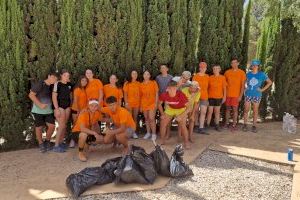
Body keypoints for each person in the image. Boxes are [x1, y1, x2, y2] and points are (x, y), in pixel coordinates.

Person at [28, 72, 58, 153]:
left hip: (49, 111)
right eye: (53, 77)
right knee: (39, 128)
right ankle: (41, 144)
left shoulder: (53, 86)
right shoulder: (40, 83)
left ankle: (47, 141)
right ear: (48, 76)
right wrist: (40, 104)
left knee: (52, 126)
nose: (54, 80)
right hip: (38, 111)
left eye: (56, 79)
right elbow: (31, 95)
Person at [158, 80, 190, 149]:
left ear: (176, 88)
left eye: (174, 88)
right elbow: (159, 104)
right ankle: (162, 140)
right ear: (167, 88)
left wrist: (181, 116)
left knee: (183, 126)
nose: (172, 90)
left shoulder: (181, 94)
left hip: (181, 109)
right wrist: (162, 114)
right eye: (170, 88)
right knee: (163, 124)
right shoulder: (164, 94)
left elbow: (189, 108)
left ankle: (186, 143)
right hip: (170, 109)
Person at [243, 59, 272, 133]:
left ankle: (254, 126)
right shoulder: (248, 74)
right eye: (253, 65)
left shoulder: (262, 74)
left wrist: (262, 90)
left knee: (255, 110)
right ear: (251, 66)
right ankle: (245, 124)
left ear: (258, 66)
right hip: (248, 94)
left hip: (257, 95)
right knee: (246, 109)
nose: (254, 66)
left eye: (256, 65)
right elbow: (245, 82)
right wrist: (246, 87)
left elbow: (269, 82)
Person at [52, 69, 73, 152]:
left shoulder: (69, 84)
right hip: (60, 107)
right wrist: (56, 109)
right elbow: (54, 97)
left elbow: (71, 96)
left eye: (68, 76)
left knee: (64, 126)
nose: (66, 77)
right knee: (61, 126)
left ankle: (60, 142)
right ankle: (56, 145)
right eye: (65, 75)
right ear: (61, 75)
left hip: (67, 107)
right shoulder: (57, 84)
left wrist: (71, 106)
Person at [224, 58, 246, 131]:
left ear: (238, 63)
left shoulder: (242, 73)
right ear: (231, 64)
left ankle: (234, 124)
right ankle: (227, 123)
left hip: (236, 95)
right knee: (227, 109)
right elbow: (224, 84)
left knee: (235, 110)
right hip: (227, 95)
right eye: (232, 63)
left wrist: (240, 96)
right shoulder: (227, 72)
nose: (233, 64)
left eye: (235, 63)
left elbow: (243, 86)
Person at [206, 64, 227, 131]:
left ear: (219, 70)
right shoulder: (210, 77)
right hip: (210, 97)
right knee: (209, 111)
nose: (215, 70)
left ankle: (217, 125)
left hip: (219, 97)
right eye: (214, 69)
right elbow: (207, 87)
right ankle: (207, 125)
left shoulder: (222, 77)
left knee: (217, 112)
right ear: (213, 70)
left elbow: (224, 88)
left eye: (217, 68)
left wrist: (224, 97)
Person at [70, 75, 88, 148]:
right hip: (76, 110)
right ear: (79, 81)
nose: (84, 82)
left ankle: (81, 141)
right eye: (82, 80)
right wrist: (78, 111)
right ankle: (72, 141)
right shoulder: (77, 89)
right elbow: (76, 101)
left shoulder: (84, 89)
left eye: (86, 81)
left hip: (83, 111)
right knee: (75, 126)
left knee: (82, 126)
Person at [140, 70, 159, 141]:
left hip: (152, 103)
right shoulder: (141, 84)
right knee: (146, 118)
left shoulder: (153, 83)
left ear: (150, 76)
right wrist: (141, 106)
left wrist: (156, 103)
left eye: (148, 74)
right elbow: (141, 96)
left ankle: (154, 134)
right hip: (144, 104)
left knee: (151, 118)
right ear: (143, 76)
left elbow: (157, 93)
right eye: (145, 74)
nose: (146, 76)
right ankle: (148, 133)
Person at [192, 61, 209, 134]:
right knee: (195, 111)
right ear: (199, 68)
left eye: (204, 67)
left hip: (204, 96)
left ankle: (201, 127)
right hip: (196, 96)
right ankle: (195, 125)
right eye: (201, 67)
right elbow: (192, 86)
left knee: (203, 112)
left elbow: (208, 87)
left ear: (206, 68)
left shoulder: (207, 76)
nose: (202, 69)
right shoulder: (195, 76)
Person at [123, 70, 141, 139]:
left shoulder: (138, 83)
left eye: (136, 73)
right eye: (133, 73)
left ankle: (134, 132)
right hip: (129, 103)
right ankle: (129, 133)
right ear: (131, 75)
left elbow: (140, 94)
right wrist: (126, 102)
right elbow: (125, 94)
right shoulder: (127, 83)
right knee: (129, 118)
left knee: (135, 118)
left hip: (136, 103)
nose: (135, 75)